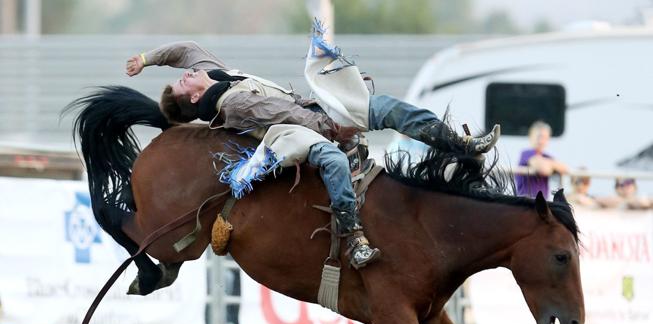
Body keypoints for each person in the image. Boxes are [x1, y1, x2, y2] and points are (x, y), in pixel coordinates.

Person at [126, 26, 500, 269]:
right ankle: (354, 238)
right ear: (193, 99)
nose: (185, 74)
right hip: (291, 134)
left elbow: (184, 49)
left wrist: (146, 59)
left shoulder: (214, 76)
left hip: (308, 112)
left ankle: (459, 144)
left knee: (386, 107)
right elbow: (287, 115)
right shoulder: (232, 103)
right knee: (332, 159)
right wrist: (334, 128)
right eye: (180, 83)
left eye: (181, 75)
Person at [515, 121, 569, 199]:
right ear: (531, 137)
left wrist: (548, 164)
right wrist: (552, 165)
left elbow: (565, 169)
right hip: (525, 202)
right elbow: (543, 169)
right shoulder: (526, 153)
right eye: (539, 136)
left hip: (542, 203)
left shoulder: (546, 156)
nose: (541, 141)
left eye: (545, 138)